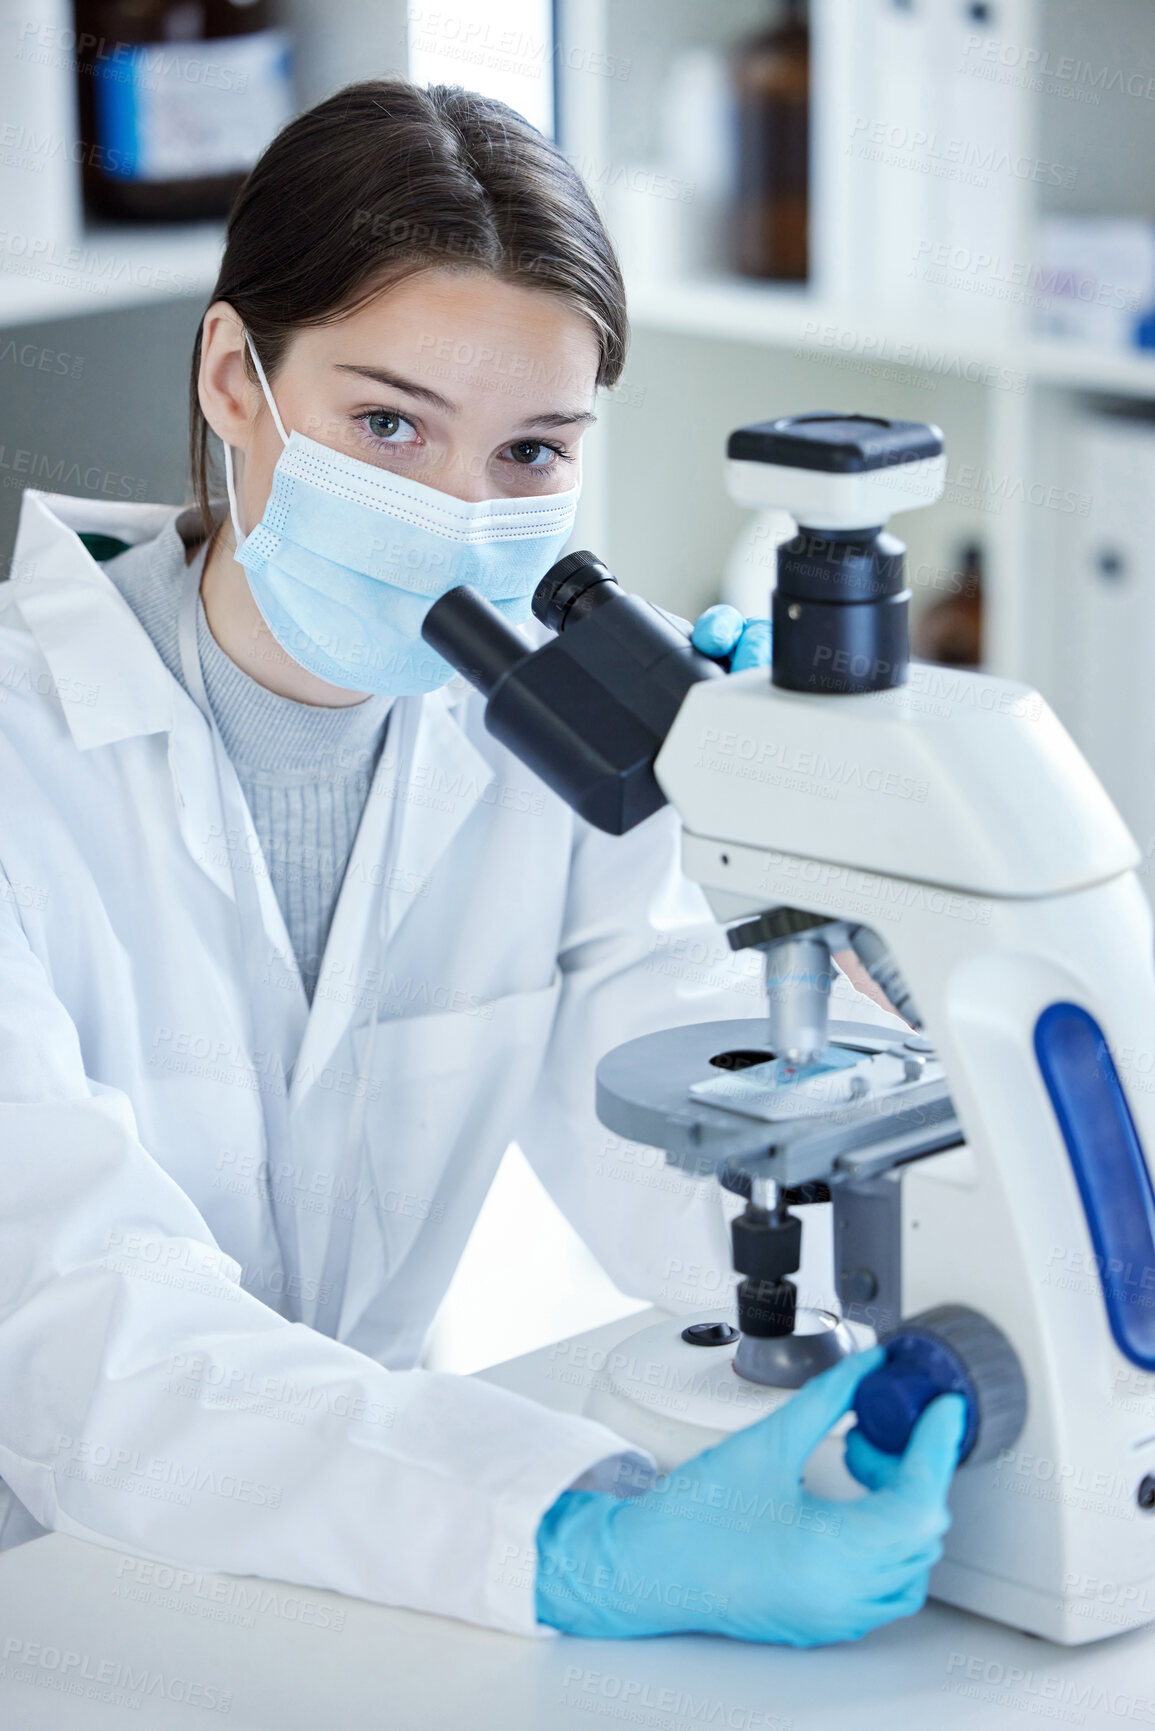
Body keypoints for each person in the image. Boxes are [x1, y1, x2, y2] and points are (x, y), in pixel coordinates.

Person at [0, 78, 962, 1645]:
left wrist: (858, 948)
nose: (457, 517)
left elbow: (698, 1172)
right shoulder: (19, 760)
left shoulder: (537, 755)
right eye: (389, 424)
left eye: (530, 453)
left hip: (374, 1562)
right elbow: (80, 1326)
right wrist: (572, 1538)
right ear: (233, 377)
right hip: (45, 1583)